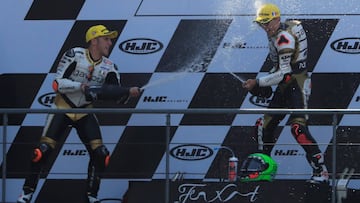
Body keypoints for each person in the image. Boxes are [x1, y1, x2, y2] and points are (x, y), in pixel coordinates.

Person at [17, 24, 141, 203]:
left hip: (85, 112)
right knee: (41, 152)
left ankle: (91, 196)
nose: (110, 43)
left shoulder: (110, 66)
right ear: (94, 41)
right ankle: (26, 193)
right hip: (62, 108)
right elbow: (57, 84)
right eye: (106, 39)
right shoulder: (74, 54)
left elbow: (115, 95)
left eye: (110, 39)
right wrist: (80, 87)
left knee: (101, 154)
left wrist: (128, 93)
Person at [242, 3, 329, 183]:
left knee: (298, 128)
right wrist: (262, 86)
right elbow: (278, 71)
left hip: (298, 83)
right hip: (284, 85)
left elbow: (284, 72)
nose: (265, 27)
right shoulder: (274, 33)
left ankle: (321, 171)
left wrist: (258, 82)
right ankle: (263, 169)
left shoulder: (284, 37)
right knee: (263, 125)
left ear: (277, 19)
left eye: (267, 23)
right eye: (261, 24)